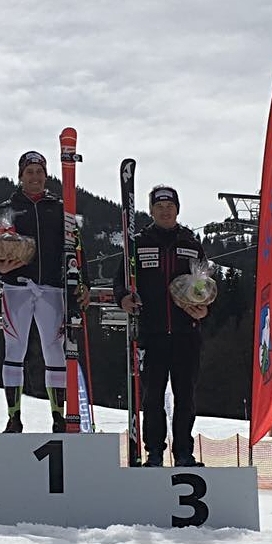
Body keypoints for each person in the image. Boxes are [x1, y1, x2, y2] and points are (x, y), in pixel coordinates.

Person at [0, 150, 89, 433]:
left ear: (46, 176)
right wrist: (1, 268)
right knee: (14, 350)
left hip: (53, 288)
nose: (34, 177)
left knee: (54, 351)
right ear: (20, 176)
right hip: (16, 287)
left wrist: (84, 283)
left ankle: (58, 416)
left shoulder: (59, 207)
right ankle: (13, 416)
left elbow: (78, 249)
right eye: (29, 172)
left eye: (39, 172)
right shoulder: (8, 207)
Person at [113, 185, 209, 467]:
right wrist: (123, 299)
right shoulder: (138, 243)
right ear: (151, 210)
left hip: (186, 334)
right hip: (151, 335)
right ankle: (154, 451)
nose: (165, 211)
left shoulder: (191, 243)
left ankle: (183, 453)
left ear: (177, 209)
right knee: (152, 397)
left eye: (170, 206)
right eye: (159, 207)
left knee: (186, 397)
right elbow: (120, 281)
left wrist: (204, 308)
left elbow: (204, 285)